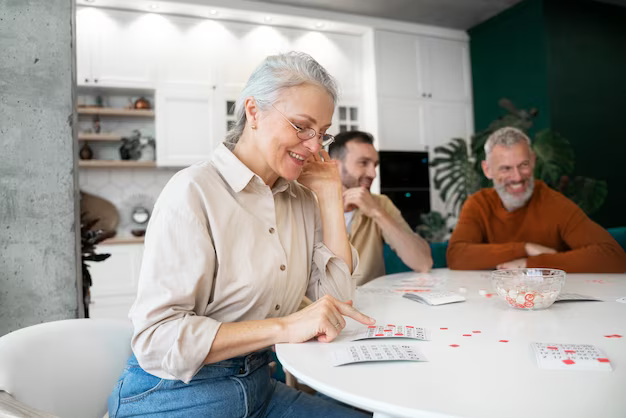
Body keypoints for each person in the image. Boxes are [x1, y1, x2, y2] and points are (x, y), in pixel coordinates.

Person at [107, 52, 376, 418]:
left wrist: (330, 197)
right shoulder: (193, 191)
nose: (315, 146)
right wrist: (283, 327)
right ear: (253, 112)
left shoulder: (301, 200)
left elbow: (338, 303)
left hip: (257, 388)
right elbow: (156, 340)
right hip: (173, 394)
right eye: (301, 127)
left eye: (323, 135)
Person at [447, 127, 626, 272]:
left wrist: (529, 263)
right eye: (506, 168)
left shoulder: (554, 203)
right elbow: (456, 256)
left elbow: (614, 256)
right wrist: (524, 248)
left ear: (533, 161)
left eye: (523, 165)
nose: (517, 177)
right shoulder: (478, 204)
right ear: (487, 170)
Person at [328, 131, 432, 285]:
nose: (373, 173)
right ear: (334, 166)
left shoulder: (380, 203)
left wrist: (377, 212)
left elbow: (423, 263)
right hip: (319, 307)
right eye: (363, 163)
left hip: (369, 307)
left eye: (375, 165)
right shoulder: (307, 205)